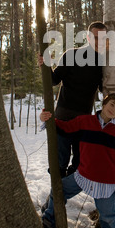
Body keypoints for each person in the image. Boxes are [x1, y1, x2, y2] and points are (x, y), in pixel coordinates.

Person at [40, 93, 115, 228]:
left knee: (109, 217)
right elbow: (64, 128)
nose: (113, 110)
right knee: (58, 190)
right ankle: (49, 222)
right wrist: (47, 118)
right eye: (111, 105)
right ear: (104, 103)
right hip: (83, 176)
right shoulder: (86, 121)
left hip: (105, 184)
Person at [40, 21, 107, 178]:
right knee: (59, 162)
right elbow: (54, 80)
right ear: (88, 37)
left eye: (103, 38)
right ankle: (56, 199)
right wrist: (46, 65)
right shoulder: (71, 54)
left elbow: (104, 90)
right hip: (63, 116)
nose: (99, 42)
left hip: (84, 120)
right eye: (96, 37)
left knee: (79, 163)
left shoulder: (103, 63)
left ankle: (65, 189)